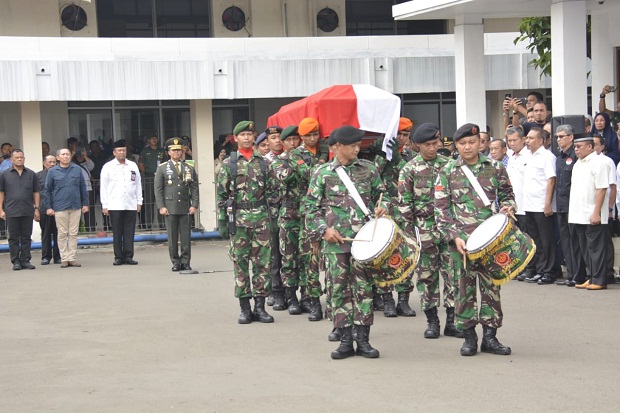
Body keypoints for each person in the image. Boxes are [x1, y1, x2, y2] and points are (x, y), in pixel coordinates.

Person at [305, 125, 388, 360]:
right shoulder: (322, 173)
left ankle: (363, 340)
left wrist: (384, 206)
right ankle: (344, 340)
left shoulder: (369, 169)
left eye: (358, 144)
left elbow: (385, 194)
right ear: (337, 147)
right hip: (336, 243)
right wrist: (324, 230)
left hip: (365, 241)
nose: (357, 148)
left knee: (363, 290)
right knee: (338, 290)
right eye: (352, 145)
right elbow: (311, 208)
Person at [435, 123, 515, 357]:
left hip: (491, 240)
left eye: (472, 142)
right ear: (456, 146)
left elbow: (508, 195)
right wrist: (453, 237)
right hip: (462, 243)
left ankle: (490, 337)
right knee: (463, 290)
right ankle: (469, 337)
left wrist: (509, 208)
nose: (467, 147)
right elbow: (441, 209)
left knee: (492, 288)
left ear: (481, 143)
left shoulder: (495, 167)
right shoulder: (447, 171)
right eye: (462, 143)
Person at [397, 123, 459, 339]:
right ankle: (432, 321)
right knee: (427, 277)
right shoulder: (409, 170)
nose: (433, 148)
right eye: (427, 145)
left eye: (435, 143)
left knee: (452, 274)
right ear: (417, 146)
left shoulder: (450, 166)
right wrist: (407, 236)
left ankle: (452, 321)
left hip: (448, 229)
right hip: (423, 230)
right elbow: (404, 205)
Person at [217, 120, 278, 324]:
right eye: (242, 135)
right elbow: (222, 196)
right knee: (241, 266)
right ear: (235, 139)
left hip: (261, 220)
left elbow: (272, 192)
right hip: (240, 221)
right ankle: (244, 308)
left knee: (263, 265)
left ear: (254, 137)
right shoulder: (229, 164)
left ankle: (260, 308)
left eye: (249, 135)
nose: (246, 138)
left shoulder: (264, 163)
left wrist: (273, 218)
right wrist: (223, 221)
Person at [372, 117, 417, 317]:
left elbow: (411, 179)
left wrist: (398, 160)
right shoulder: (381, 154)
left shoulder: (411, 157)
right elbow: (373, 177)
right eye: (398, 134)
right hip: (384, 211)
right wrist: (384, 155)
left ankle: (404, 300)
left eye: (405, 135)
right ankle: (387, 299)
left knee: (406, 253)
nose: (401, 138)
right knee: (384, 255)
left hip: (405, 211)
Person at [289, 117, 329, 321]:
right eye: (308, 135)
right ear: (301, 137)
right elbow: (310, 174)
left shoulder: (331, 151)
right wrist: (323, 158)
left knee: (332, 259)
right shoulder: (296, 154)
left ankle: (332, 301)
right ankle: (313, 301)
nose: (313, 138)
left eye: (315, 134)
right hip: (310, 213)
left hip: (330, 211)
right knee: (310, 260)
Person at [569, 135, 609, 290]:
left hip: (592, 213)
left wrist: (596, 212)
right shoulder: (578, 163)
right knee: (585, 249)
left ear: (590, 147)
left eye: (579, 146)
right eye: (575, 147)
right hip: (579, 213)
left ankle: (599, 280)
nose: (576, 149)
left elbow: (602, 188)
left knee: (596, 249)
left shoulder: (599, 162)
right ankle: (591, 276)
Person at [271, 125, 303, 315]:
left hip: (306, 214)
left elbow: (311, 176)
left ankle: (308, 296)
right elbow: (287, 177)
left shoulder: (306, 158)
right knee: (288, 258)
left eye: (295, 139)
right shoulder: (278, 161)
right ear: (282, 143)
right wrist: (296, 159)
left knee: (307, 259)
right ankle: (291, 297)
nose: (293, 143)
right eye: (289, 140)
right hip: (288, 214)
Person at [154, 138, 199, 272]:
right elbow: (158, 189)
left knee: (185, 237)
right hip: (170, 206)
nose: (177, 153)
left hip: (185, 205)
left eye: (179, 150)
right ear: (169, 152)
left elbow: (195, 187)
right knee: (172, 237)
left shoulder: (188, 167)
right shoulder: (162, 168)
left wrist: (194, 204)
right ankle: (175, 261)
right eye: (174, 150)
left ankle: (185, 261)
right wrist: (161, 206)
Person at [523, 127, 559, 285]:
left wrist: (547, 204)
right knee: (535, 240)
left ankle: (550, 272)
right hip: (529, 204)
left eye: (531, 138)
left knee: (547, 240)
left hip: (541, 205)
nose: (527, 141)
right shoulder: (528, 156)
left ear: (540, 140)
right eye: (527, 138)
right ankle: (540, 269)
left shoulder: (547, 156)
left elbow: (551, 180)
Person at [100, 140, 143, 266]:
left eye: (123, 150)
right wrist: (105, 205)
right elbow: (104, 187)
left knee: (130, 231)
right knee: (117, 232)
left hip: (130, 203)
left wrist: (139, 201)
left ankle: (129, 256)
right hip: (115, 204)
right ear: (114, 152)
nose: (122, 153)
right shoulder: (108, 167)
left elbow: (138, 184)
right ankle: (118, 256)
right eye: (119, 150)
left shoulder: (132, 166)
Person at [554, 125, 587, 286]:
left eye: (562, 136)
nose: (559, 139)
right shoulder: (559, 157)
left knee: (575, 241)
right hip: (561, 204)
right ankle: (571, 274)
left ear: (571, 137)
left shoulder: (576, 156)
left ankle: (579, 275)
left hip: (573, 205)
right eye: (557, 137)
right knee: (566, 241)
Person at [45, 148, 89, 268]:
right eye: (63, 154)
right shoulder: (52, 171)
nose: (65, 156)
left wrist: (85, 204)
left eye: (68, 154)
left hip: (75, 205)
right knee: (62, 233)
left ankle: (72, 257)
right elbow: (47, 190)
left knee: (73, 233)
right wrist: (48, 207)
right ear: (58, 157)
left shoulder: (77, 169)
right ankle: (64, 258)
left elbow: (82, 187)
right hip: (60, 206)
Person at [505, 127, 537, 282]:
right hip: (514, 206)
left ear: (523, 139)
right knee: (516, 240)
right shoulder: (512, 157)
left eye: (515, 140)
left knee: (527, 239)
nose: (512, 143)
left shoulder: (529, 156)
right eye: (509, 141)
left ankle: (531, 269)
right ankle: (520, 268)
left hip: (526, 205)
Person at [0, 149, 40, 270]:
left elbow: (36, 192)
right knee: (13, 237)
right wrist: (1, 209)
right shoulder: (5, 174)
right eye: (17, 157)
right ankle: (15, 261)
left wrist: (37, 208)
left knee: (26, 236)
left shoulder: (31, 174)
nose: (19, 159)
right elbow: (1, 193)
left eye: (21, 157)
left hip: (28, 209)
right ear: (11, 159)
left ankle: (25, 260)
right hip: (11, 210)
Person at [592, 134, 617, 284]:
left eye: (596, 144)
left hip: (605, 205)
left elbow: (612, 186)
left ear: (602, 146)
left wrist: (610, 208)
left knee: (606, 240)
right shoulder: (586, 161)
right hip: (592, 206)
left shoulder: (607, 161)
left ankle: (608, 271)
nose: (594, 147)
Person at [37, 155, 61, 265]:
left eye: (54, 162)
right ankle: (46, 257)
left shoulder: (60, 174)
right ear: (44, 163)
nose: (52, 164)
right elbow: (35, 193)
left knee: (59, 233)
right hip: (44, 208)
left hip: (59, 208)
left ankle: (58, 257)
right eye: (49, 162)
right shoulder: (38, 176)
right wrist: (35, 209)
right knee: (46, 234)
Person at [138, 134, 166, 230]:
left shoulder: (162, 151)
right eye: (151, 138)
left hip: (161, 177)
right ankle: (148, 224)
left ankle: (162, 224)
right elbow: (141, 164)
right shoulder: (145, 151)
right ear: (148, 140)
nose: (154, 140)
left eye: (155, 138)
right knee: (149, 201)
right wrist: (146, 172)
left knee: (161, 201)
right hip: (149, 177)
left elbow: (166, 163)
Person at [72, 147, 96, 232]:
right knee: (75, 210)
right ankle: (76, 229)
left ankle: (90, 228)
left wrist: (85, 155)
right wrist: (73, 154)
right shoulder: (73, 164)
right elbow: (67, 164)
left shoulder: (87, 163)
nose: (80, 155)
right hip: (75, 190)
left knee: (89, 210)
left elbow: (92, 166)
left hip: (87, 188)